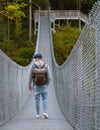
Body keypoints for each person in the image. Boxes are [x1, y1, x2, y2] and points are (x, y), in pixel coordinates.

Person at [28, 53, 51, 119]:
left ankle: (38, 114)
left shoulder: (33, 66)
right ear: (41, 58)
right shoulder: (46, 66)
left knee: (37, 100)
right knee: (45, 99)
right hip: (44, 85)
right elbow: (49, 77)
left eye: (35, 58)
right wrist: (47, 84)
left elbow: (30, 77)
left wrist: (29, 85)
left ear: (36, 58)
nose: (35, 59)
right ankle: (45, 112)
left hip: (36, 85)